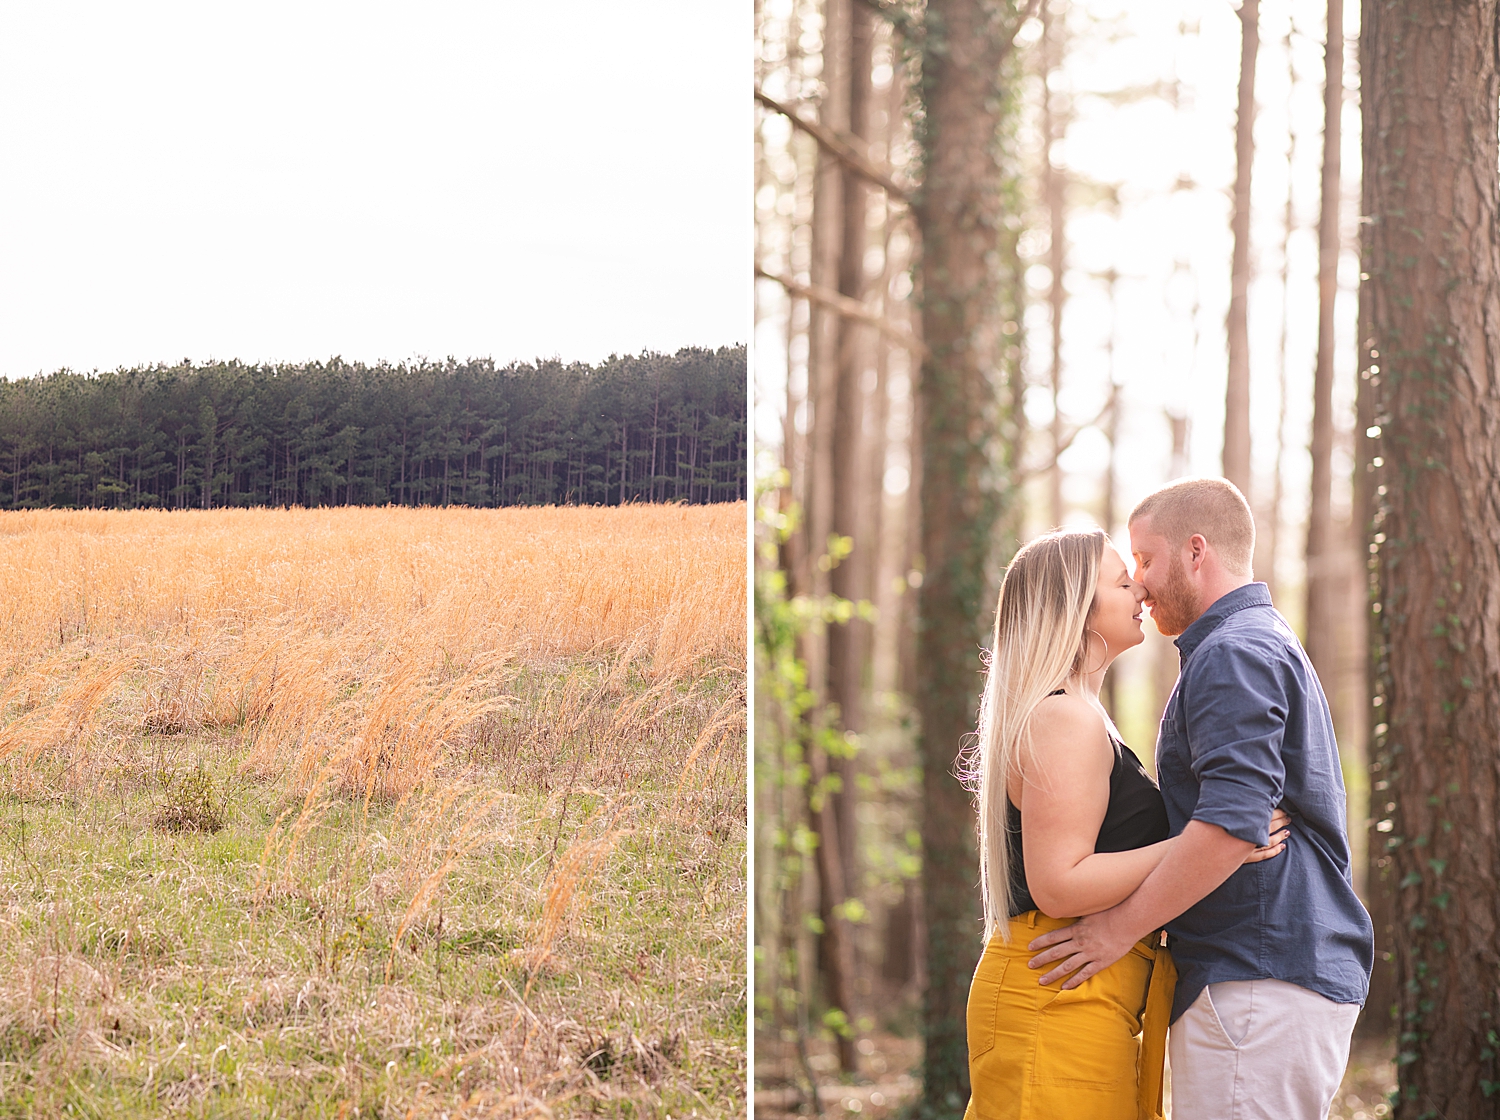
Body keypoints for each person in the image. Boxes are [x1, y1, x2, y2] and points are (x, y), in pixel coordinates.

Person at [1025, 478, 1374, 1120]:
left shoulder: (1232, 653)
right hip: (1267, 973)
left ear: (1195, 552)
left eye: (1146, 561)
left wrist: (1116, 930)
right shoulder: (1253, 641)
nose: (1140, 583)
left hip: (1256, 974)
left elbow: (1232, 828)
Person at [959, 527, 1289, 1120]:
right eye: (1119, 580)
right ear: (1078, 612)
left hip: (1083, 992)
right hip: (1056, 996)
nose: (1139, 587)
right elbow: (1059, 883)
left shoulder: (1080, 713)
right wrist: (1209, 844)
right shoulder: (1064, 717)